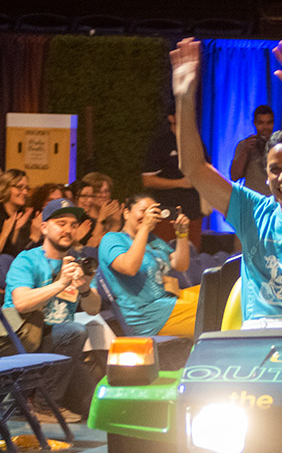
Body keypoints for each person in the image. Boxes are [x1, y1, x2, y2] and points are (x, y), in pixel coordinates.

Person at [171, 37, 282, 328]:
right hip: (255, 342)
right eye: (275, 169)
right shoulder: (252, 210)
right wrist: (183, 97)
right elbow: (193, 168)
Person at [3, 198, 102, 422]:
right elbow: (21, 303)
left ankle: (30, 399)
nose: (68, 230)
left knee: (94, 405)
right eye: (61, 223)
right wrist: (60, 284)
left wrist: (85, 287)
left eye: (73, 225)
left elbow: (94, 308)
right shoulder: (27, 259)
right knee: (75, 331)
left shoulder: (77, 262)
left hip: (60, 348)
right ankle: (43, 406)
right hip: (23, 339)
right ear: (45, 227)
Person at [98, 192, 198, 337]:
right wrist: (144, 227)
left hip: (167, 303)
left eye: (153, 212)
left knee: (213, 294)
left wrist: (182, 234)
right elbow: (129, 268)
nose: (148, 216)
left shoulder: (154, 240)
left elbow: (180, 265)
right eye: (143, 211)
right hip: (147, 316)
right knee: (213, 311)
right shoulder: (112, 239)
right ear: (126, 213)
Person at [141, 112, 203, 248]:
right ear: (171, 117)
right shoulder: (160, 144)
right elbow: (148, 180)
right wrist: (180, 183)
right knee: (165, 254)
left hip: (193, 213)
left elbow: (206, 171)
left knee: (191, 258)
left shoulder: (196, 142)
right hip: (166, 213)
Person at [230, 104, 275, 196]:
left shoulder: (279, 145)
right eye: (261, 123)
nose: (265, 127)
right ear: (254, 123)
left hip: (275, 201)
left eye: (269, 123)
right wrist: (246, 150)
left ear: (273, 123)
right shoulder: (244, 145)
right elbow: (234, 176)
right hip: (252, 201)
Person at [0, 169, 35, 257]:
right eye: (20, 187)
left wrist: (16, 231)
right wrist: (4, 233)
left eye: (26, 188)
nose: (25, 192)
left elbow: (21, 257)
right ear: (6, 187)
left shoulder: (25, 216)